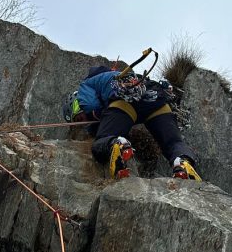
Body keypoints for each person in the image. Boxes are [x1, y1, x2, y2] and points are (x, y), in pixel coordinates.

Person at [68, 64, 202, 180]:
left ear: (76, 104)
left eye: (80, 119)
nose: (84, 123)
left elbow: (92, 105)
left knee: (102, 142)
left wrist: (95, 119)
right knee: (173, 142)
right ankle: (182, 162)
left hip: (125, 103)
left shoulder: (85, 85)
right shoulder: (123, 74)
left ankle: (116, 144)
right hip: (155, 99)